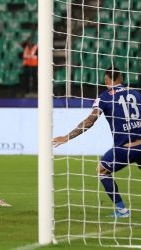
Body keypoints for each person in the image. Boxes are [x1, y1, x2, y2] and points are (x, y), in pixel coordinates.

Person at [53, 67, 140, 218]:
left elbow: (89, 121)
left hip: (124, 149)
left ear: (106, 80)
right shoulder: (136, 93)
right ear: (122, 79)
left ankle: (122, 210)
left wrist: (67, 137)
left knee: (102, 170)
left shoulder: (104, 97)